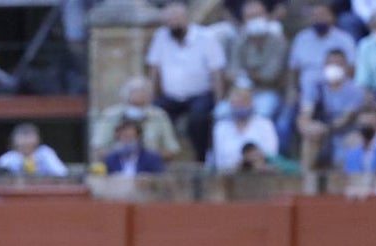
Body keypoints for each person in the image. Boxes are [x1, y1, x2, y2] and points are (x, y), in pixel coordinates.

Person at [145, 1, 227, 161]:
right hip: (171, 96)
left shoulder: (206, 37)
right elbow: (153, 70)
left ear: (186, 18)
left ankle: (201, 159)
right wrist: (150, 98)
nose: (173, 24)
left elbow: (217, 72)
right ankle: (154, 160)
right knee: (154, 116)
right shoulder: (161, 36)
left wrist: (219, 102)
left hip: (200, 94)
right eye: (170, 21)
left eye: (176, 20)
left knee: (198, 119)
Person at [296, 48, 366, 171]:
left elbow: (344, 119)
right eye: (330, 63)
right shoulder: (316, 87)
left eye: (338, 64)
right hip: (321, 132)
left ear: (346, 67)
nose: (334, 67)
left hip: (344, 132)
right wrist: (306, 125)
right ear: (324, 65)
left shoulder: (355, 91)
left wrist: (325, 128)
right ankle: (305, 179)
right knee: (310, 135)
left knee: (355, 141)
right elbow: (305, 113)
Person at [90, 76, 181, 161]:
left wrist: (149, 157)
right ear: (126, 93)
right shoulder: (110, 115)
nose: (140, 94)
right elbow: (98, 148)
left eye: (144, 91)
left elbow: (172, 150)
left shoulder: (159, 116)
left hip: (149, 168)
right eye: (136, 91)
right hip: (117, 167)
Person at [225, 0, 288, 120]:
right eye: (250, 17)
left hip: (267, 91)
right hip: (242, 91)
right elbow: (232, 71)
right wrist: (246, 77)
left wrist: (248, 75)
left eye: (258, 16)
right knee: (222, 113)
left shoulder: (278, 41)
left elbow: (271, 75)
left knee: (261, 113)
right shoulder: (240, 41)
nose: (255, 20)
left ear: (266, 16)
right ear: (244, 20)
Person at [212, 85, 279, 171]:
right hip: (229, 175)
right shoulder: (221, 127)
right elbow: (219, 161)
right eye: (236, 104)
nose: (240, 107)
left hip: (260, 174)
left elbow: (271, 155)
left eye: (243, 103)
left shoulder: (265, 124)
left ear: (251, 104)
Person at [0, 122, 68, 176]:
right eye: (23, 137)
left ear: (37, 139)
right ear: (14, 141)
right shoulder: (8, 158)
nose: (26, 142)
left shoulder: (45, 153)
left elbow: (61, 173)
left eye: (29, 137)